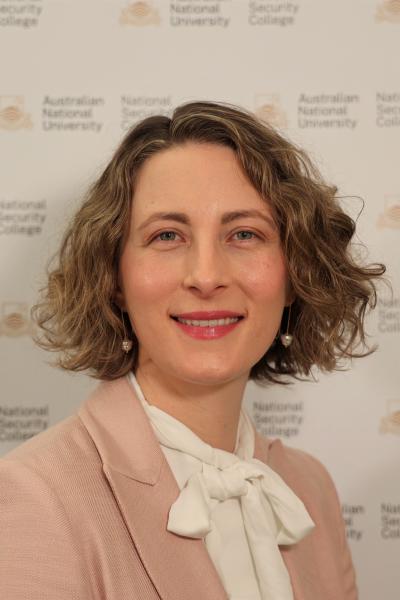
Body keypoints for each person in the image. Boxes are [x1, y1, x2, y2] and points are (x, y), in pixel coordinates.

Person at [0, 100, 385, 600]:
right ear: (114, 278)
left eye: (244, 234)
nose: (206, 276)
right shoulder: (37, 495)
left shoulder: (311, 488)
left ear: (297, 274)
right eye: (167, 235)